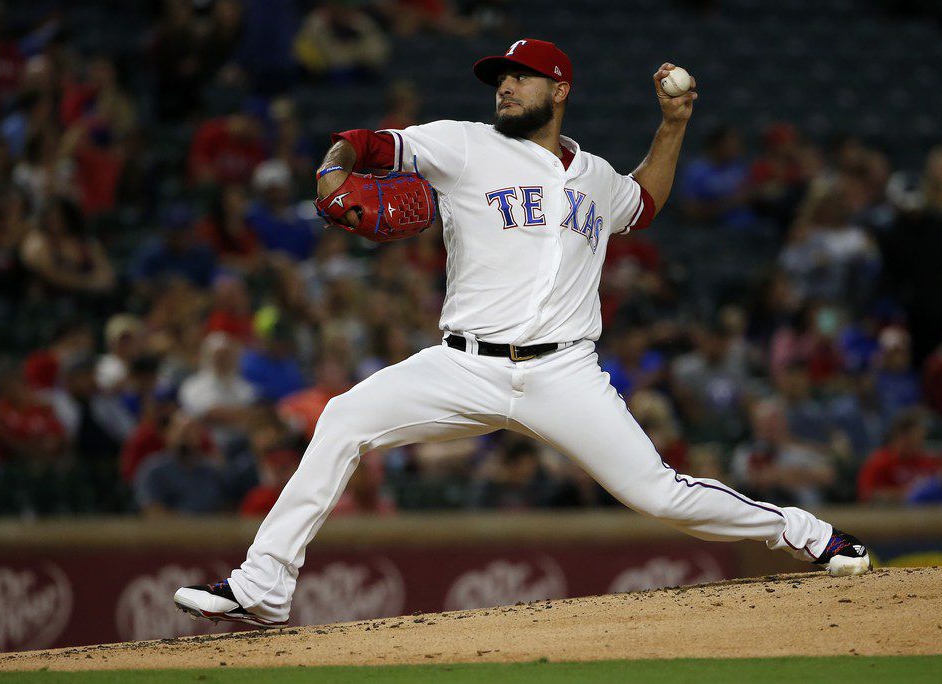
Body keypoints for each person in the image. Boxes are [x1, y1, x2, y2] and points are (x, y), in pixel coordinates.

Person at [175, 39, 870, 628]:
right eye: (499, 79)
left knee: (660, 494)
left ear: (558, 89)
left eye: (518, 77)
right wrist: (333, 163)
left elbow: (646, 201)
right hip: (463, 364)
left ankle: (811, 536)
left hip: (564, 375)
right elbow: (369, 144)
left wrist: (672, 125)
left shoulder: (596, 175)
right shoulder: (464, 144)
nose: (504, 87)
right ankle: (264, 587)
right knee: (342, 417)